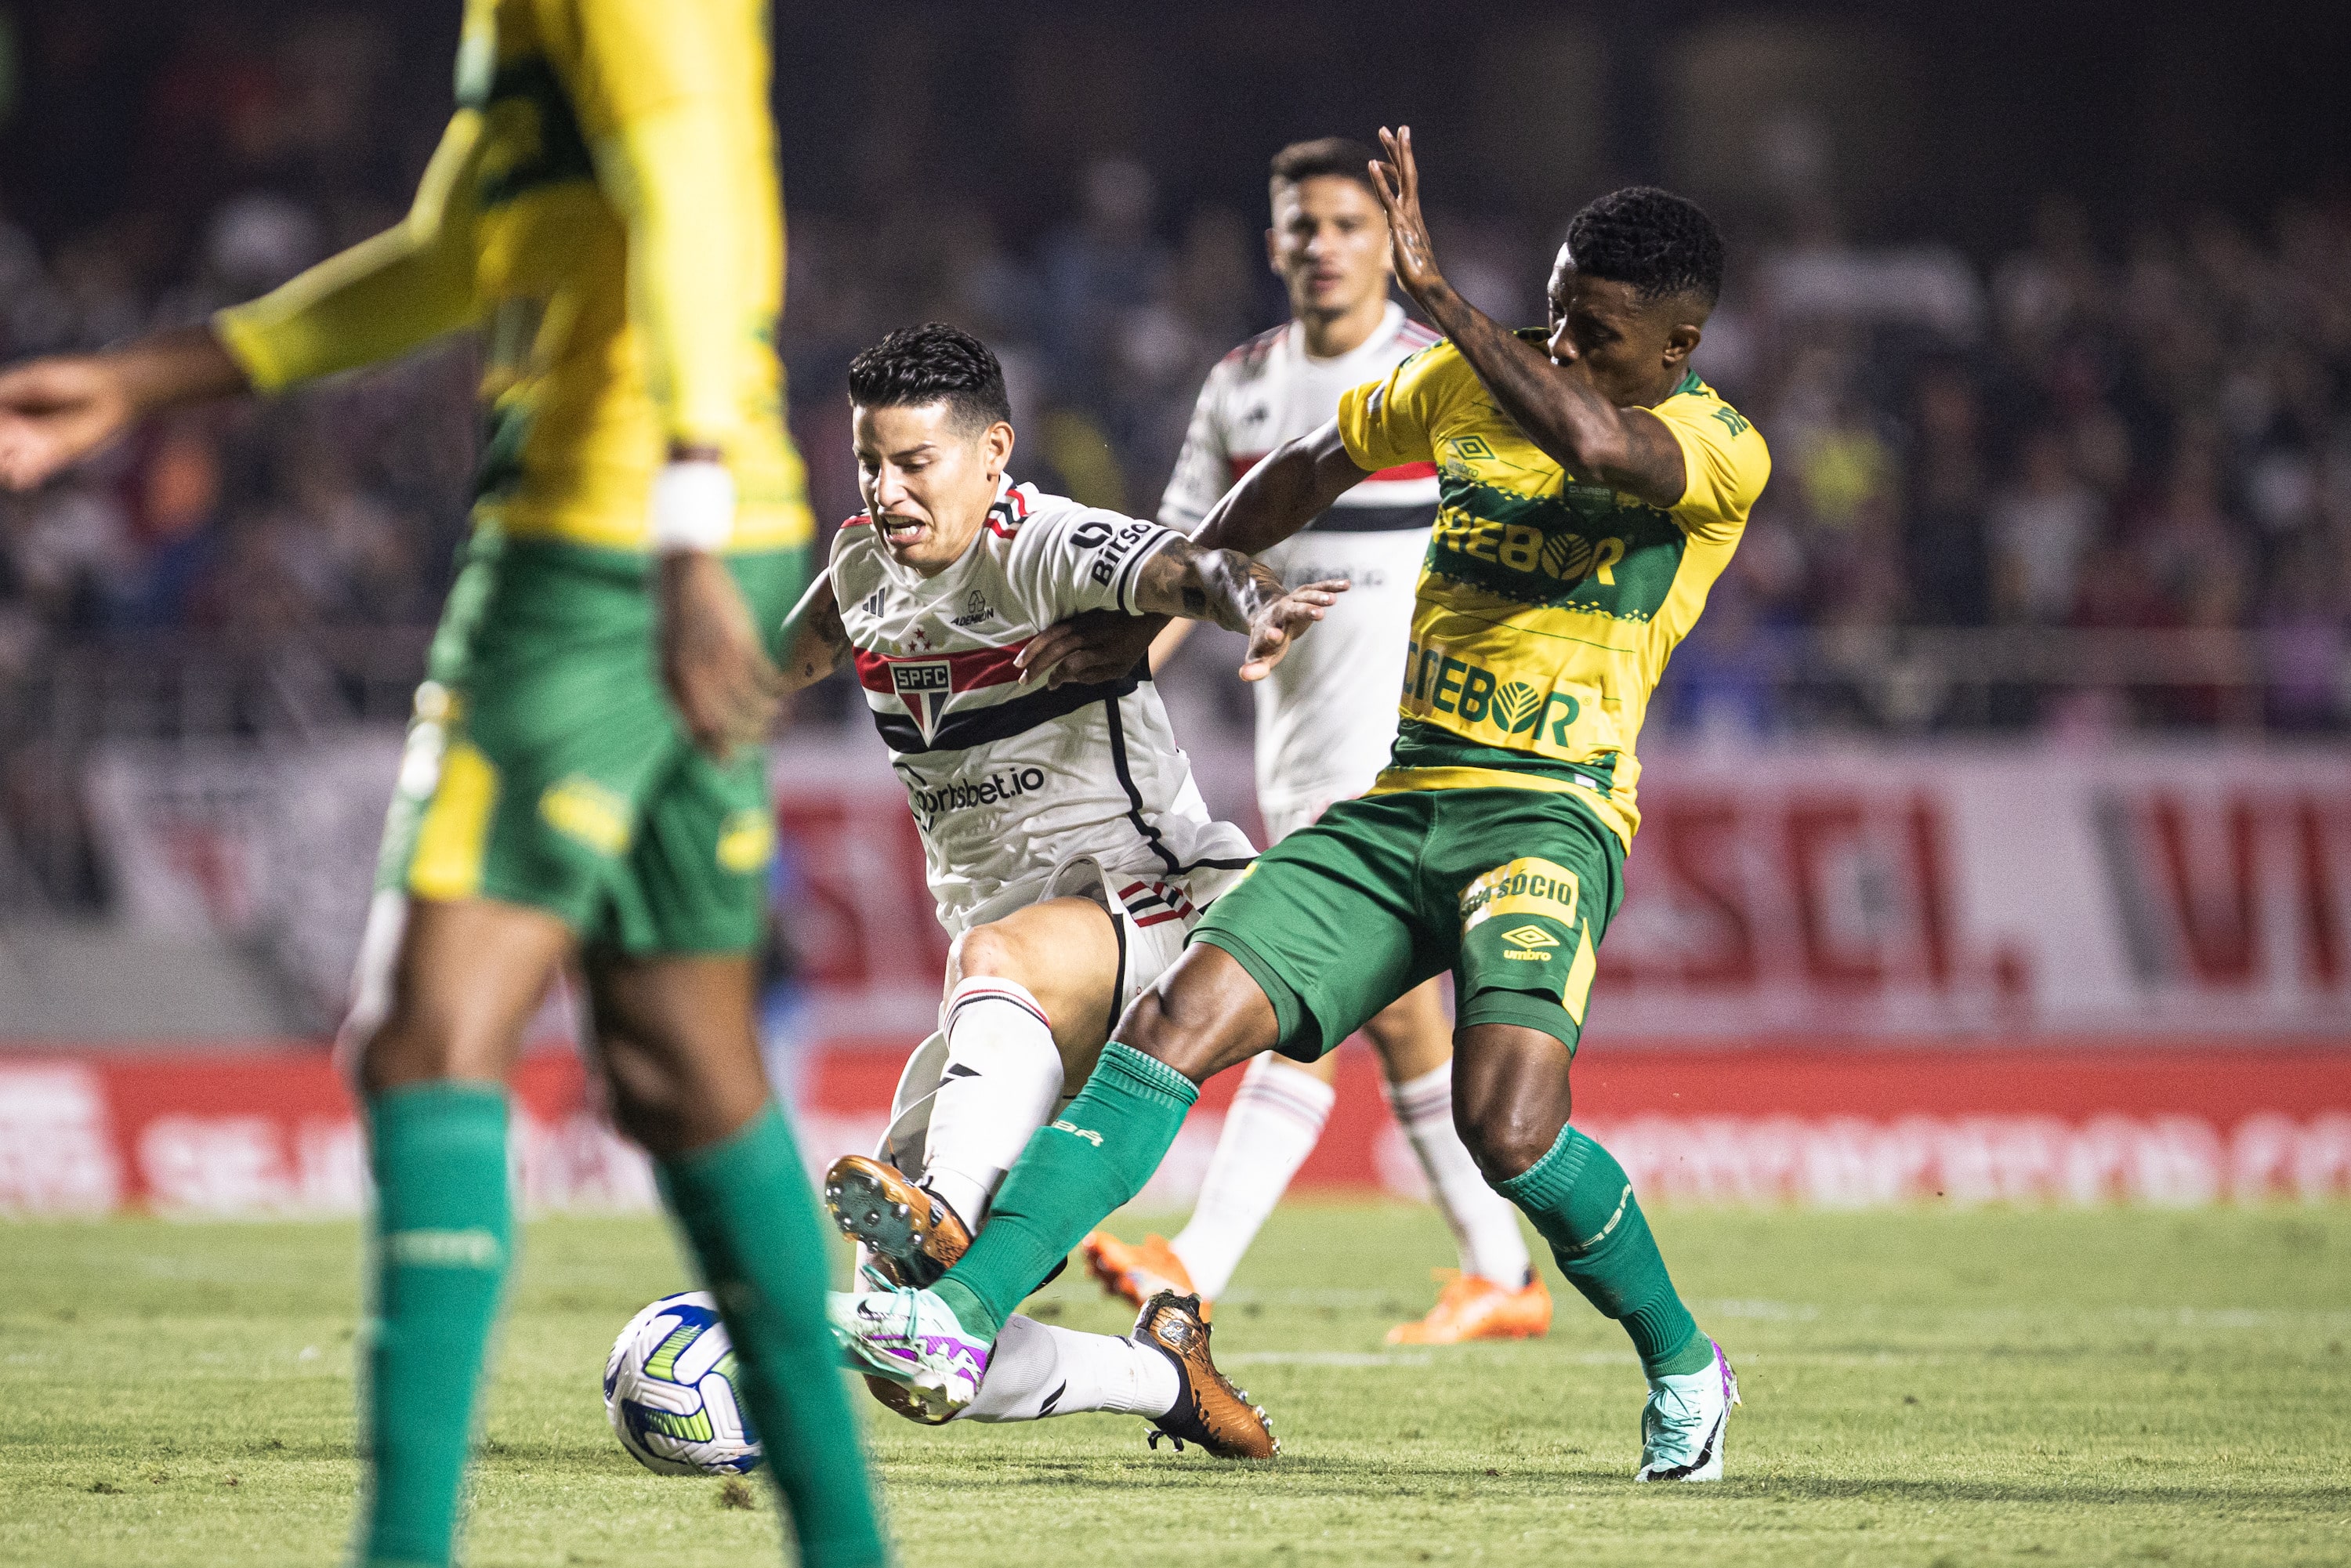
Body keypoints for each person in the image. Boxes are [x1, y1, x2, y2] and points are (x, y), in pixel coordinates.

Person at [0, 4, 889, 1563]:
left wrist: (680, 511)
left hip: (606, 545)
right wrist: (156, 378)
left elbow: (699, 193)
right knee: (684, 1064)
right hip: (672, 529)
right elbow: (453, 247)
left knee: (423, 1037)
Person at [833, 128, 1771, 1483]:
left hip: (1549, 818)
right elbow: (1307, 466)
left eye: (1600, 333)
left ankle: (1686, 1359)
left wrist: (1440, 297)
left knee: (1508, 1125)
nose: (1562, 347)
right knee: (1173, 1023)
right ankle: (955, 1316)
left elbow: (1588, 438)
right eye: (1556, 315)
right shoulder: (1461, 384)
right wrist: (1198, 578)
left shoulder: (1713, 444)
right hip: (1402, 808)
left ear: (1677, 344)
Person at [777, 322, 1339, 1457]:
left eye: (914, 463)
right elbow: (753, 681)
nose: (886, 489)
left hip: (1154, 895)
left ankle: (946, 1202)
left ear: (993, 453)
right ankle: (1154, 1373)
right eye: (869, 462)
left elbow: (1183, 565)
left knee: (999, 962)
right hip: (1017, 981)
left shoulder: (1040, 540)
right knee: (909, 1354)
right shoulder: (857, 571)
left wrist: (1249, 598)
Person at [1079, 136, 1547, 1346]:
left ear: (1390, 237)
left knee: (1305, 987)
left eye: (1348, 222)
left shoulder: (1444, 376)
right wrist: (1109, 677)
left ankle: (1197, 1258)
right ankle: (1500, 1269)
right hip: (1294, 740)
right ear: (1272, 238)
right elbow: (1183, 558)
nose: (1324, 245)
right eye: (1303, 224)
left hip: (1415, 746)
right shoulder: (1240, 386)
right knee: (1392, 1017)